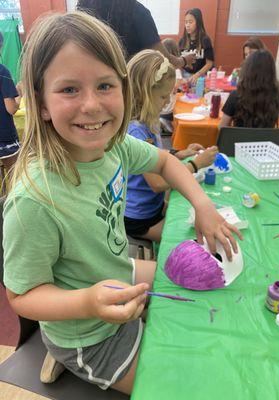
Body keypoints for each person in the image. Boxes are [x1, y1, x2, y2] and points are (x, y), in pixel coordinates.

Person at [3, 11, 241, 396]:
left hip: (115, 272)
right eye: (69, 90)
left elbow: (164, 161)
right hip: (90, 337)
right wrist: (88, 302)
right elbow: (23, 296)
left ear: (124, 88)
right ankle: (62, 355)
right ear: (41, 102)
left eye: (104, 85)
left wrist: (203, 205)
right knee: (180, 385)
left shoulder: (113, 146)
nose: (93, 106)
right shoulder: (34, 200)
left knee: (201, 287)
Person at [124, 49, 219, 243]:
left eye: (169, 95)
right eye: (162, 97)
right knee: (192, 240)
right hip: (139, 219)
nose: (167, 102)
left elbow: (155, 156)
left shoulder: (149, 121)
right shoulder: (135, 131)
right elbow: (157, 183)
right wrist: (195, 165)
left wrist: (181, 153)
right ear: (142, 94)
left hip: (153, 208)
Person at [77, 0, 195, 68]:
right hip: (131, 94)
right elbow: (162, 59)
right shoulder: (137, 12)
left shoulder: (82, 12)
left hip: (91, 89)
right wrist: (183, 61)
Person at [219, 50, 279, 128]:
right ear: (272, 72)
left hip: (238, 139)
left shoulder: (236, 95)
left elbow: (222, 128)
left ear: (247, 70)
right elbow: (277, 124)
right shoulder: (277, 97)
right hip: (266, 140)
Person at [0, 31, 21, 186]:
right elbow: (11, 109)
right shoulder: (3, 72)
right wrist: (20, 94)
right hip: (4, 136)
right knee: (14, 173)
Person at [179, 8, 214, 84]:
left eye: (190, 22)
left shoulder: (205, 40)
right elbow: (179, 62)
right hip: (185, 76)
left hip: (201, 76)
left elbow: (209, 63)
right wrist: (180, 77)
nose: (187, 25)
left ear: (198, 22)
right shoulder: (182, 41)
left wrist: (197, 75)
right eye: (186, 22)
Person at [160, 38, 184, 133]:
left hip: (159, 108)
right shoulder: (175, 69)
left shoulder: (161, 68)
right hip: (168, 111)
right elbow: (176, 87)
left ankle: (162, 121)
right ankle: (166, 123)